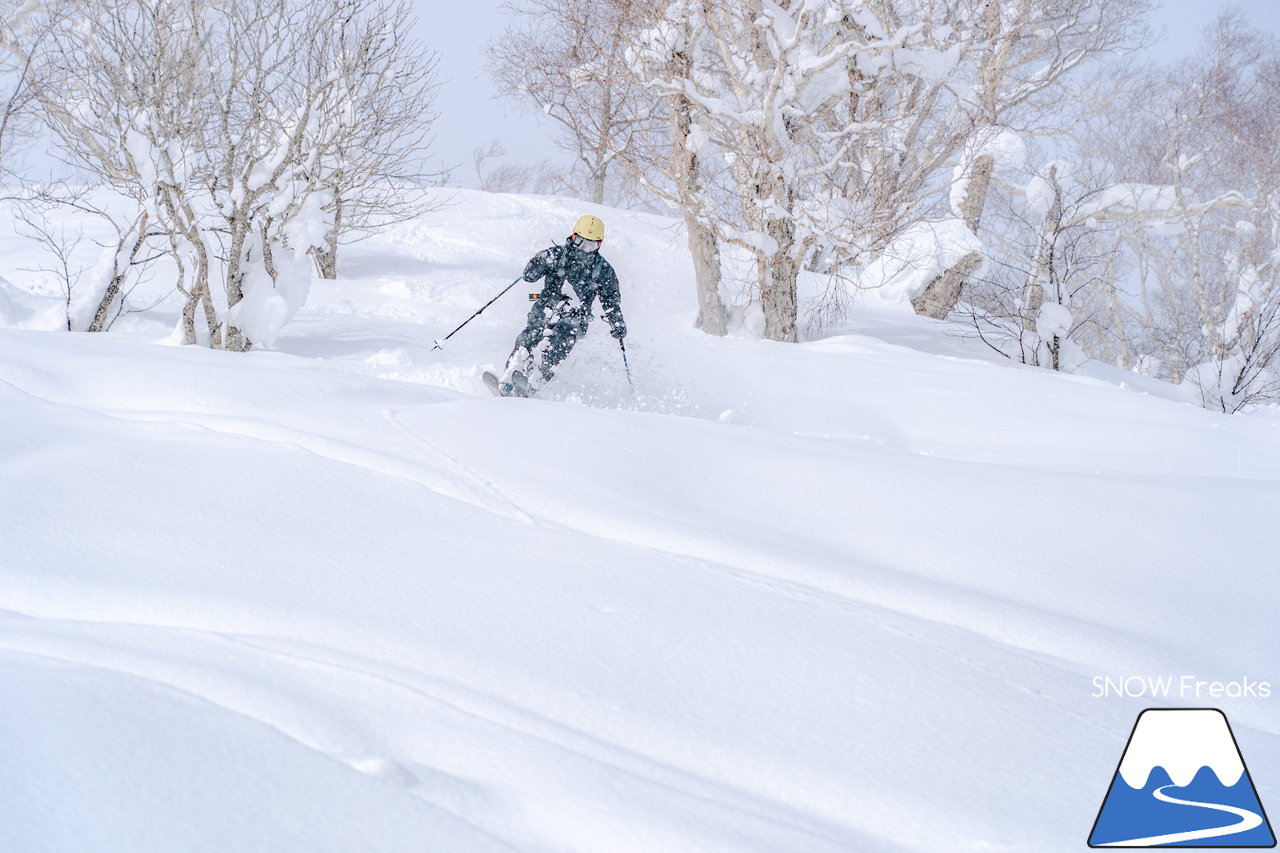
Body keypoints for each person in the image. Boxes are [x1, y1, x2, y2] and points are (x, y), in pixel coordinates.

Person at [499, 214, 626, 396]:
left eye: (591, 245)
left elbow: (611, 299)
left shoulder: (602, 269)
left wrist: (617, 320)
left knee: (561, 341)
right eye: (581, 242)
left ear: (600, 243)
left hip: (576, 315)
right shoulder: (556, 255)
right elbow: (531, 273)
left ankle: (536, 380)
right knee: (533, 331)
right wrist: (534, 267)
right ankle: (512, 371)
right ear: (573, 237)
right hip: (549, 305)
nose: (585, 249)